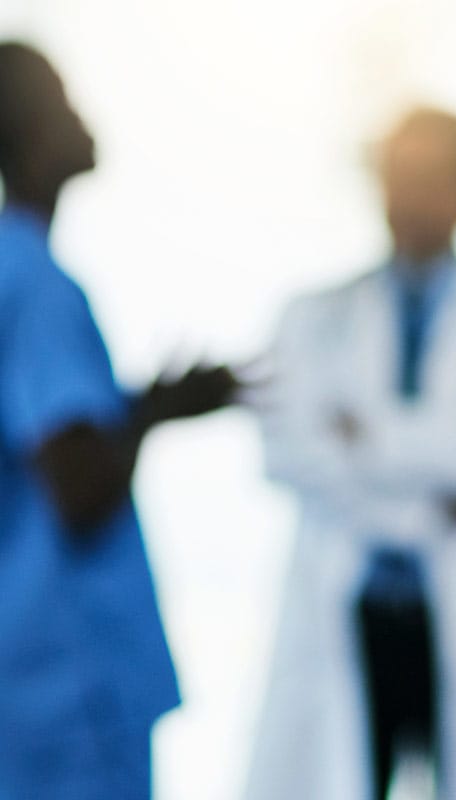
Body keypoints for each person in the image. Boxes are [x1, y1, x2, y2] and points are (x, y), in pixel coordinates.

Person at [245, 108, 456, 800]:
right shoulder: (309, 317)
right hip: (347, 612)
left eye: (426, 179)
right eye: (394, 177)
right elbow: (287, 453)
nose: (406, 198)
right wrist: (439, 483)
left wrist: (373, 436)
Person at [0, 42, 238, 799]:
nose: (82, 117)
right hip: (68, 689)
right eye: (62, 101)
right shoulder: (35, 283)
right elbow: (77, 484)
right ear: (29, 132)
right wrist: (159, 413)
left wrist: (139, 406)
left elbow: (44, 444)